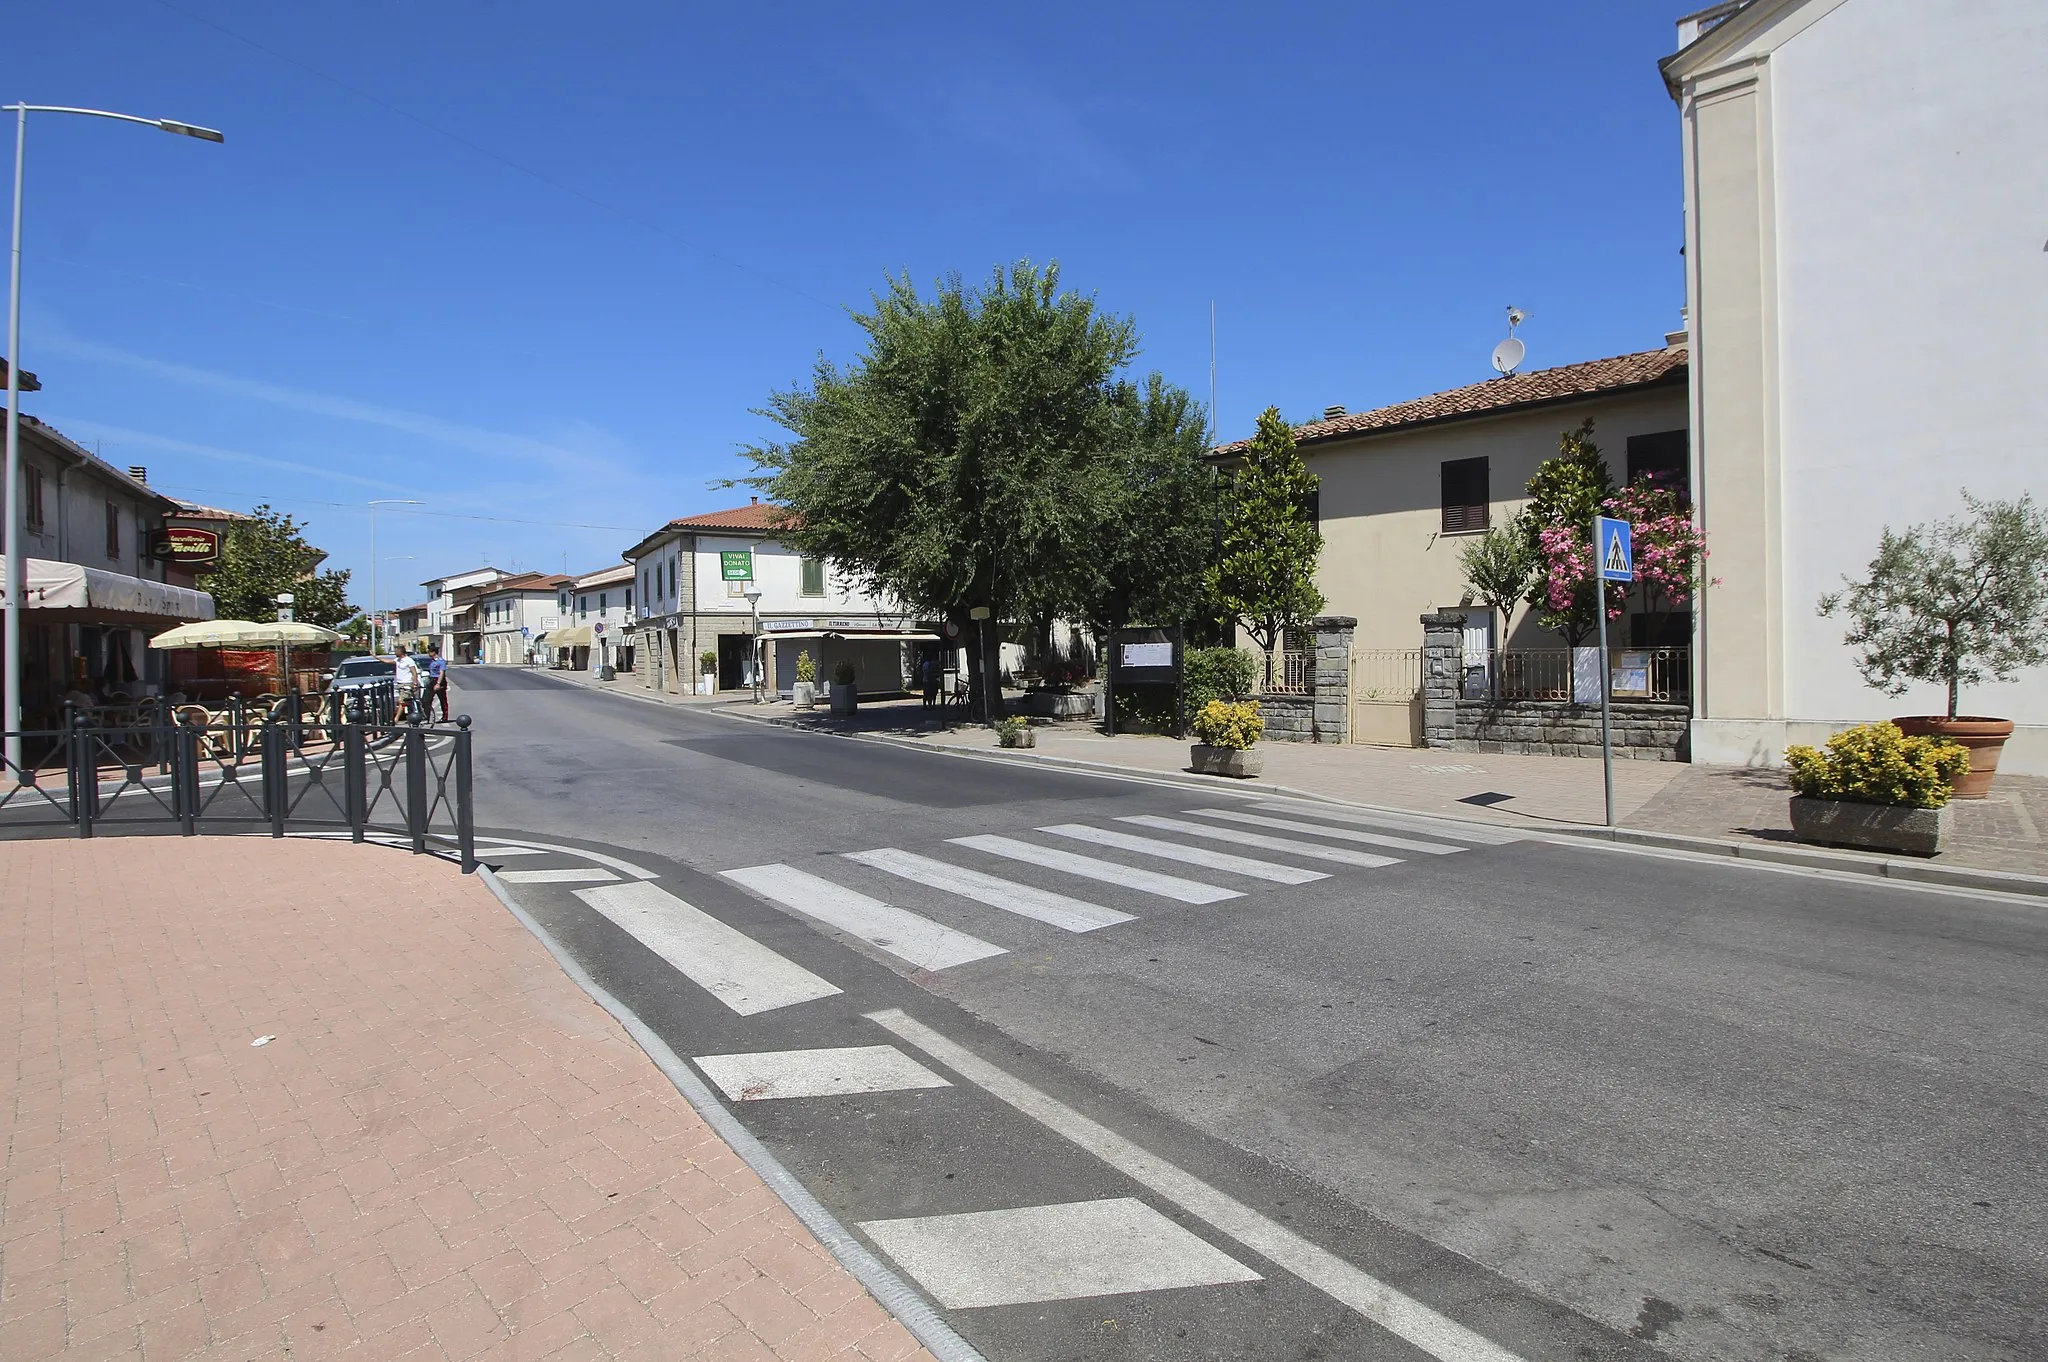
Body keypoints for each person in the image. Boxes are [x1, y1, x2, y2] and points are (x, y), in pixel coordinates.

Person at [393, 645, 421, 722]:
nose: (395, 652)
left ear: (400, 651)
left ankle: (396, 718)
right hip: (400, 684)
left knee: (402, 701)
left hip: (407, 683)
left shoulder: (409, 660)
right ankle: (413, 714)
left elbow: (414, 672)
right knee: (407, 701)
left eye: (396, 651)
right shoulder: (398, 660)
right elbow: (388, 661)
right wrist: (376, 657)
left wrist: (415, 683)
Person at [424, 644, 451, 721]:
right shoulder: (432, 661)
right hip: (431, 680)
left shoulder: (441, 661)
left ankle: (444, 717)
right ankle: (426, 716)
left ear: (434, 652)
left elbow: (442, 672)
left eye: (429, 652)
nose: (428, 653)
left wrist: (438, 683)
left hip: (439, 680)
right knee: (426, 700)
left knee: (442, 699)